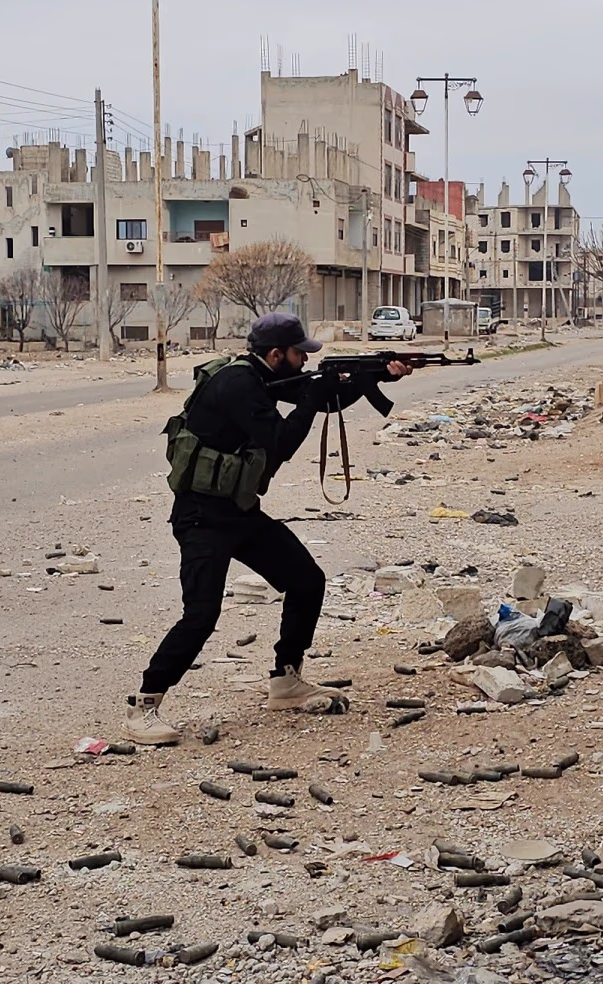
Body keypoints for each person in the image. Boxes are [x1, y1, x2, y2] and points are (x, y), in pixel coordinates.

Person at [122, 312, 413, 745]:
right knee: (201, 615)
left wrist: (374, 376)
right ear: (277, 354)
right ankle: (143, 704)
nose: (304, 361)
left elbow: (323, 399)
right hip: (202, 517)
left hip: (238, 511)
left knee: (306, 580)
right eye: (299, 354)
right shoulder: (238, 384)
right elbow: (281, 442)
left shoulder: (263, 375)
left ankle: (286, 680)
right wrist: (314, 396)